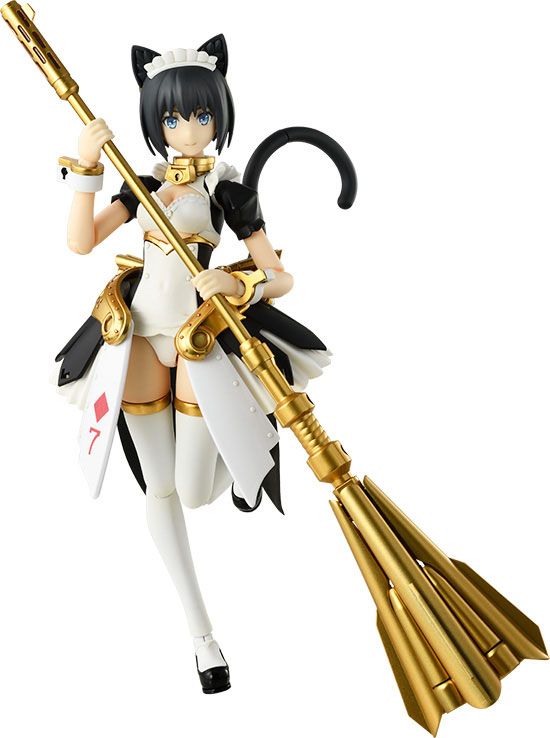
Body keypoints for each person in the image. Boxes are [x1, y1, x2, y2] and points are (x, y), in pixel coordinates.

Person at [54, 35, 347, 694]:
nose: (187, 130)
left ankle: (247, 463)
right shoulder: (141, 183)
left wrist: (239, 284)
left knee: (192, 491)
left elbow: (280, 276)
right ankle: (201, 637)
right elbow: (80, 241)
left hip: (198, 337)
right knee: (159, 490)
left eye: (201, 116)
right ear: (155, 123)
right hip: (134, 334)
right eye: (172, 119)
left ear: (218, 116)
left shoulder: (228, 188)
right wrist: (87, 168)